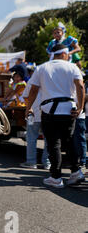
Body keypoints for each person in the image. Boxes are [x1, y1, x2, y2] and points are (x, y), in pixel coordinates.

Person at [26, 44, 85, 188]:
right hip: (69, 109)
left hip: (50, 110)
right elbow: (81, 86)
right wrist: (81, 107)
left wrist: (29, 108)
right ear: (64, 53)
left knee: (54, 145)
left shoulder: (42, 67)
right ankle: (76, 171)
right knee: (70, 142)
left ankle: (56, 177)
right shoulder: (72, 67)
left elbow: (33, 90)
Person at [21, 74, 51, 170]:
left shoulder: (32, 81)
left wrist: (28, 108)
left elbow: (25, 96)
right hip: (48, 113)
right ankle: (47, 162)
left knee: (31, 138)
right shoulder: (51, 82)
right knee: (49, 140)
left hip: (34, 113)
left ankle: (31, 162)